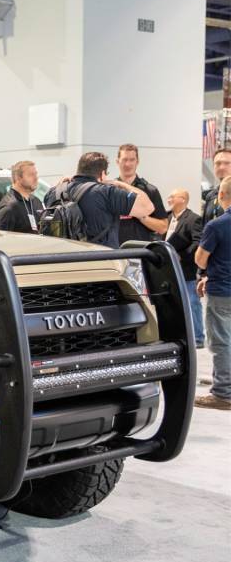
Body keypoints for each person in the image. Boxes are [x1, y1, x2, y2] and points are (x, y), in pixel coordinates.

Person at [49, 152, 154, 248]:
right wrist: (119, 183)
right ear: (103, 174)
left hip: (62, 257)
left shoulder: (54, 192)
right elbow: (147, 207)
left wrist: (60, 185)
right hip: (102, 259)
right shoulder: (106, 192)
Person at [194, 176, 231, 410]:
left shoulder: (216, 225)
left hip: (222, 291)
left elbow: (200, 259)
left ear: (221, 195)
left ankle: (223, 393)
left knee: (221, 342)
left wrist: (208, 273)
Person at [165, 188, 205, 348]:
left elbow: (198, 242)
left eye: (172, 197)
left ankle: (198, 338)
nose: (168, 199)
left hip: (186, 268)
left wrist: (181, 255)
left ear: (182, 199)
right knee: (172, 302)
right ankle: (178, 336)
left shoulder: (194, 219)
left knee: (192, 302)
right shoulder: (166, 217)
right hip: (167, 267)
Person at [115, 144, 168, 242]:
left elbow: (163, 228)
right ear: (117, 161)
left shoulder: (150, 190)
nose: (128, 164)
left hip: (140, 249)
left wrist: (142, 216)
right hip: (113, 249)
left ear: (137, 162)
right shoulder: (109, 190)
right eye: (124, 160)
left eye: (132, 160)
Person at [0, 160, 44, 233]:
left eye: (36, 174)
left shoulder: (36, 202)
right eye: (31, 175)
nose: (36, 178)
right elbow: (1, 238)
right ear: (18, 178)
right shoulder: (9, 208)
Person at [203, 147, 231, 227]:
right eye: (218, 163)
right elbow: (204, 226)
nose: (221, 167)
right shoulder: (210, 196)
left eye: (227, 163)